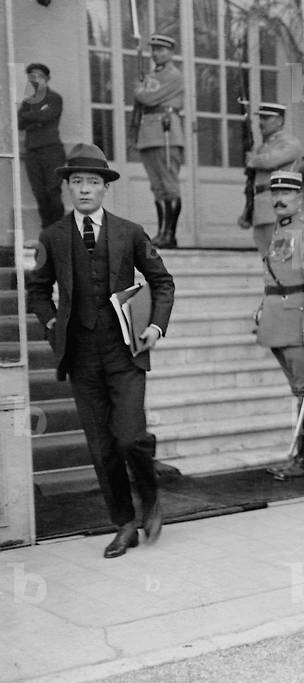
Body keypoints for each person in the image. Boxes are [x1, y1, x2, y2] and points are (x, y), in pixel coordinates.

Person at [26, 144, 175, 558]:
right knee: (101, 446)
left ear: (105, 189)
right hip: (81, 356)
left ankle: (150, 499)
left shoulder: (129, 232)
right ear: (67, 188)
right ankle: (124, 523)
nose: (85, 189)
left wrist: (156, 326)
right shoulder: (52, 237)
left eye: (93, 182)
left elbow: (162, 282)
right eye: (77, 182)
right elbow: (37, 289)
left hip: (124, 352)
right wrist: (53, 322)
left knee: (130, 438)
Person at [257, 171, 304, 480]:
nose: (279, 199)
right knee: (298, 390)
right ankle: (301, 455)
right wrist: (262, 309)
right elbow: (274, 275)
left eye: (287, 194)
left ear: (301, 198)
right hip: (277, 318)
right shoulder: (279, 230)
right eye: (275, 193)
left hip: (296, 320)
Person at [132, 34, 185, 249]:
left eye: (161, 49)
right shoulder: (154, 75)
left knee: (169, 185)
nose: (156, 53)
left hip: (166, 132)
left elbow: (147, 98)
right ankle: (162, 232)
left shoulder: (173, 75)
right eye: (153, 49)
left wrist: (138, 88)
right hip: (149, 134)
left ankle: (170, 235)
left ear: (171, 52)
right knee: (157, 186)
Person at [239, 102, 304, 257]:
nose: (261, 122)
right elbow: (252, 184)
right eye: (260, 117)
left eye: (267, 118)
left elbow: (270, 161)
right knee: (267, 257)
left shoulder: (290, 143)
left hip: (278, 207)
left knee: (282, 258)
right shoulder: (262, 147)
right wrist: (246, 212)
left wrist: (252, 160)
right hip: (261, 210)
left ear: (280, 120)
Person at [17, 62, 66, 227]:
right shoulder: (28, 101)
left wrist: (30, 117)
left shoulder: (55, 98)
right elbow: (18, 123)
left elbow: (47, 116)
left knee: (53, 191)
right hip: (32, 152)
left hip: (52, 151)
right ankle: (47, 231)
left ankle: (59, 230)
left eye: (39, 77)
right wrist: (35, 117)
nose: (35, 80)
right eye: (31, 77)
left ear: (47, 79)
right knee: (39, 193)